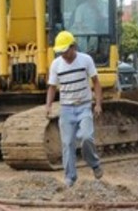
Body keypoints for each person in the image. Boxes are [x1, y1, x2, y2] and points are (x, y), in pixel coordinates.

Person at [43, 31, 103, 187]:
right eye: (61, 52)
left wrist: (98, 104)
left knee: (86, 137)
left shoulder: (86, 60)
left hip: (84, 106)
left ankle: (94, 164)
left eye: (66, 51)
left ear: (73, 46)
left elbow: (96, 82)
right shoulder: (56, 65)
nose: (64, 54)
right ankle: (70, 178)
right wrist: (48, 105)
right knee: (68, 143)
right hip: (67, 109)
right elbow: (52, 87)